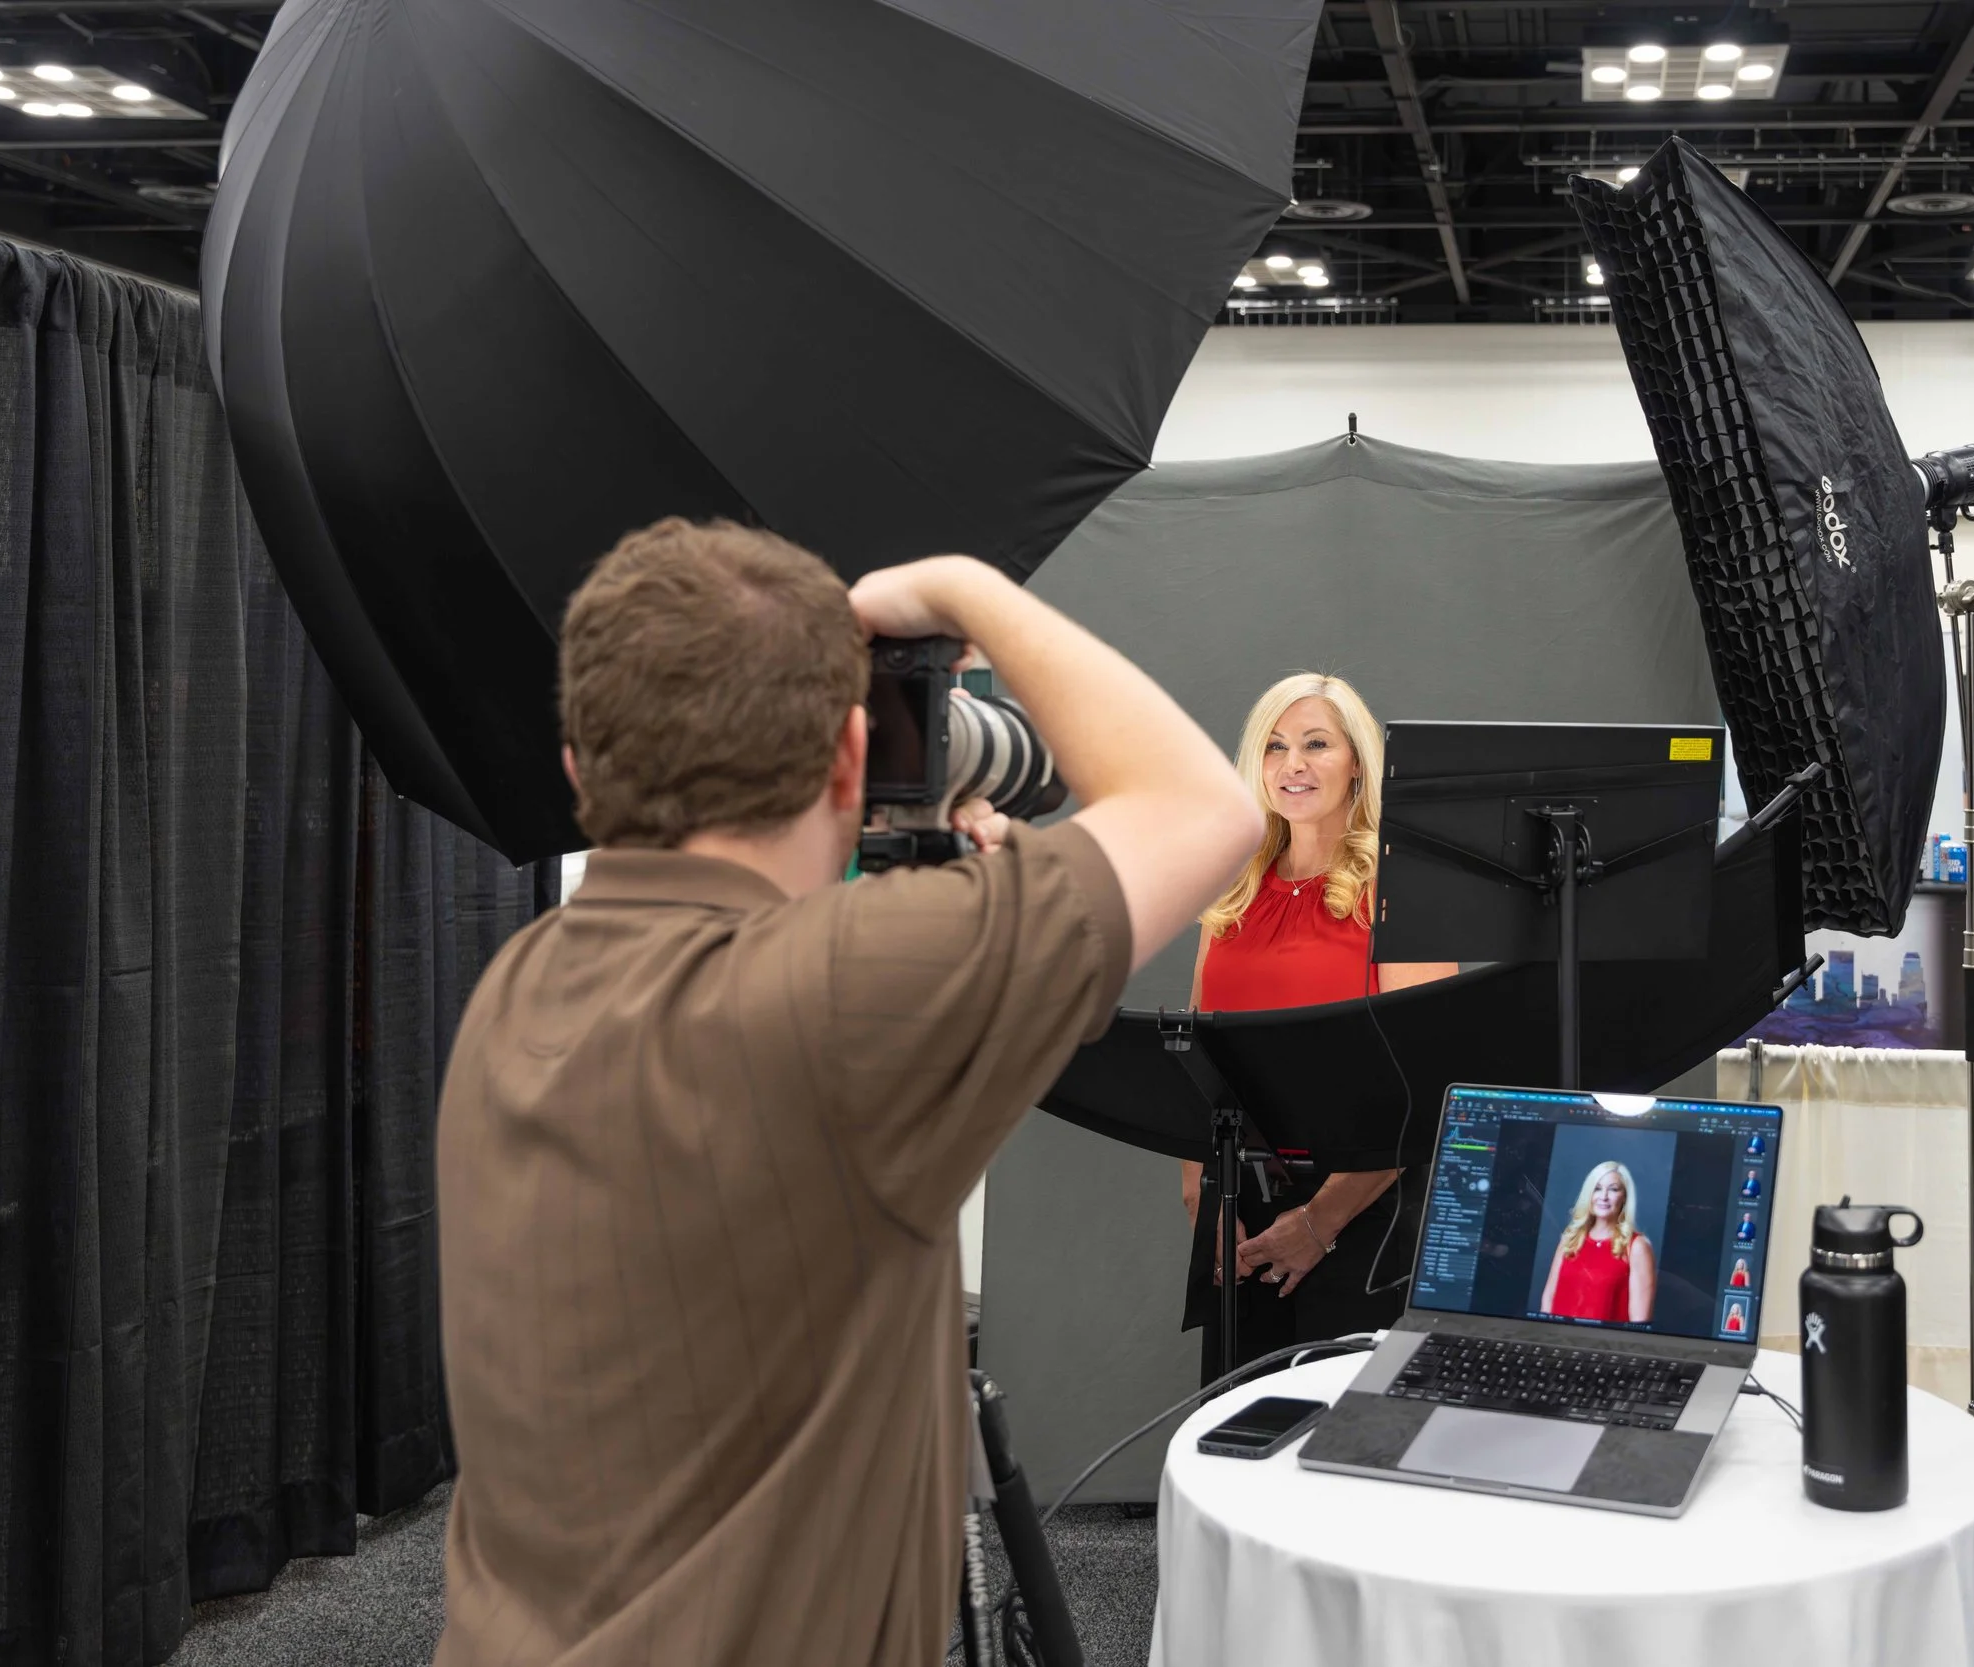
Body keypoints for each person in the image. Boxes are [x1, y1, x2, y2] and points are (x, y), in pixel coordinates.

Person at [431, 518, 1262, 1667]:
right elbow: (1205, 807)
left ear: (577, 769)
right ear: (844, 762)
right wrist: (961, 587)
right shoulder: (845, 997)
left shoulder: (514, 990)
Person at [1176, 672, 1456, 1381]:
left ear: (1357, 761)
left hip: (1366, 1216)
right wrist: (1198, 1189)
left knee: (1340, 1445)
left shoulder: (1399, 889)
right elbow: (1196, 1053)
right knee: (1237, 1431)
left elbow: (1421, 1088)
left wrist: (1316, 1224)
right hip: (1239, 1208)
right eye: (1274, 746)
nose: (1292, 764)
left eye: (1316, 744)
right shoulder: (1234, 890)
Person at [1538, 1160, 1657, 1324]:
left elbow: (1639, 1321)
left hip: (1605, 1345)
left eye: (1613, 1189)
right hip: (1558, 1340)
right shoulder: (1570, 1238)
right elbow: (1548, 1302)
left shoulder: (1637, 1246)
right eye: (1597, 1189)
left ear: (1624, 1197)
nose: (1604, 1197)